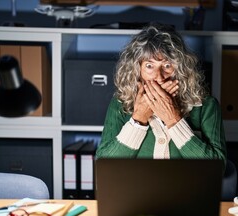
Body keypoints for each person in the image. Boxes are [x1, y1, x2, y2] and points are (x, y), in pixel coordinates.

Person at [95, 22, 226, 167]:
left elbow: (218, 168)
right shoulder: (120, 104)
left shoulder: (206, 105)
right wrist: (138, 119)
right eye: (149, 66)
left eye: (167, 65)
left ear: (180, 68)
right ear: (137, 70)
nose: (159, 76)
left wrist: (173, 119)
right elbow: (104, 165)